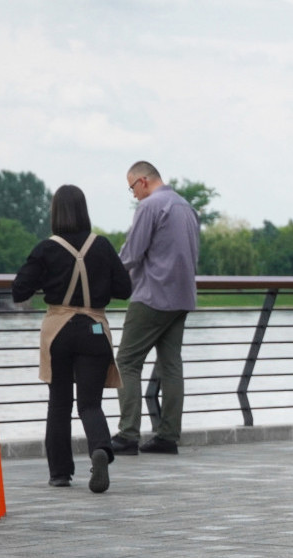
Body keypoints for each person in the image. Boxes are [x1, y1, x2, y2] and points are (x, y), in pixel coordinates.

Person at [12, 185, 132, 492]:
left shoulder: (46, 248)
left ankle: (60, 473)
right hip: (94, 328)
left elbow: (19, 292)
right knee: (90, 404)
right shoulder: (102, 246)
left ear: (55, 212)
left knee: (59, 404)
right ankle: (101, 451)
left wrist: (49, 280)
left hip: (60, 331)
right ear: (84, 211)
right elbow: (125, 289)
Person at [111, 161, 200, 456]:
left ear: (143, 181)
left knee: (126, 362)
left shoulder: (150, 207)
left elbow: (131, 254)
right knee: (171, 364)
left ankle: (127, 436)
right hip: (181, 297)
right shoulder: (186, 207)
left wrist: (106, 274)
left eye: (132, 187)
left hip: (152, 296)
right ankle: (168, 436)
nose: (133, 195)